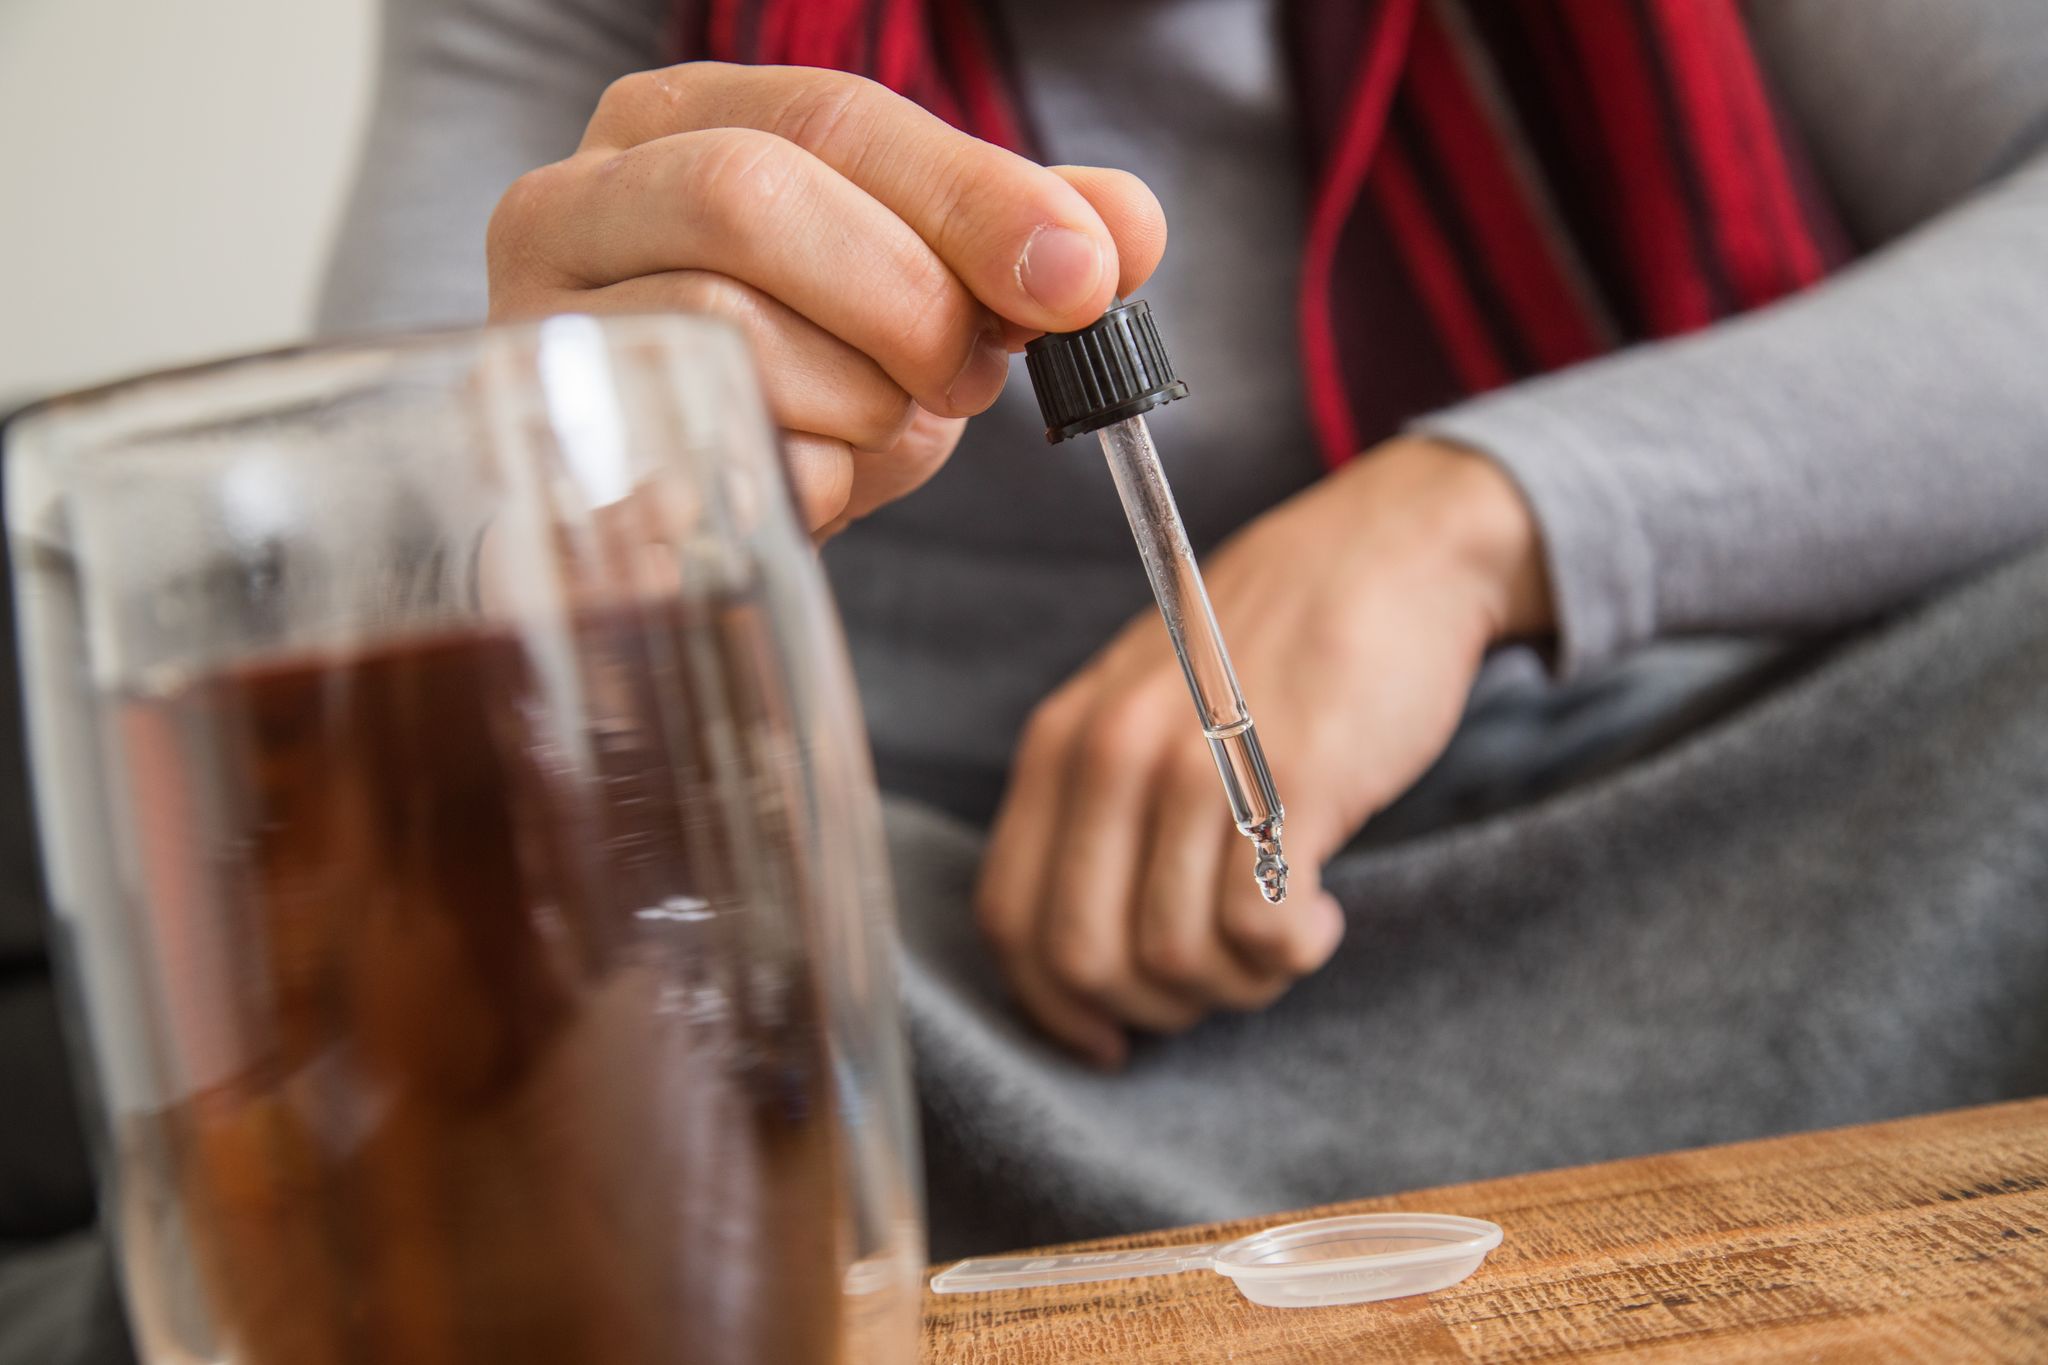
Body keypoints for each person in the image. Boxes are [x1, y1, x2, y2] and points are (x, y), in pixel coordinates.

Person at [5, 4, 2048, 1356]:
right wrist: (568, 481)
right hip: (946, 980)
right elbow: (330, 641)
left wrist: (1474, 523)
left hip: (1709, 827)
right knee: (416, 1006)